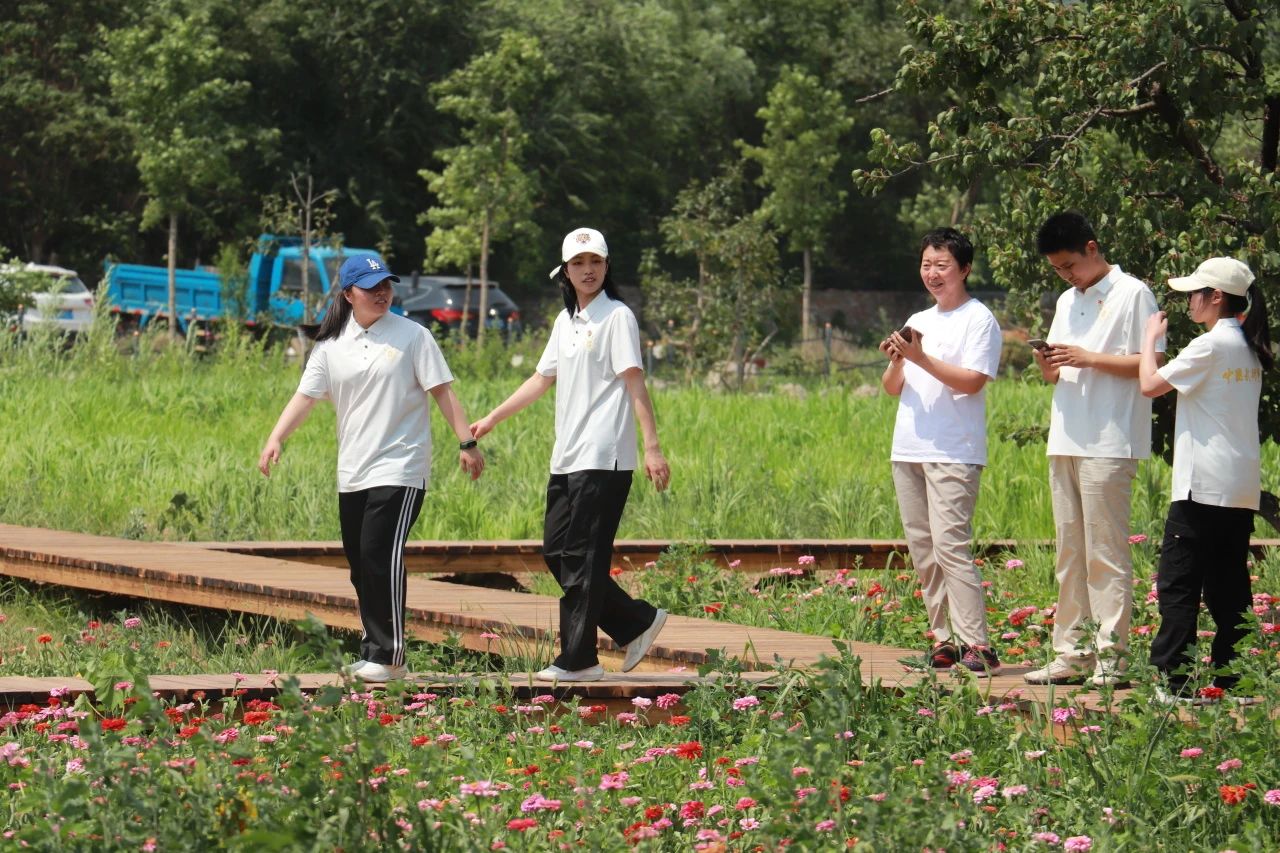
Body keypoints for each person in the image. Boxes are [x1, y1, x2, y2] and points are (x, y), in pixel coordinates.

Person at [258, 255, 484, 682]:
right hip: (353, 470)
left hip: (401, 466)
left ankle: (390, 657)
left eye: (386, 285)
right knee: (361, 563)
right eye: (370, 287)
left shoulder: (413, 336)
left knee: (381, 555)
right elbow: (305, 397)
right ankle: (373, 650)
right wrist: (276, 438)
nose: (382, 293)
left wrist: (466, 442)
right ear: (348, 294)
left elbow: (443, 392)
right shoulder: (331, 345)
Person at [471, 227, 670, 683]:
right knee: (557, 550)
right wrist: (492, 418)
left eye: (595, 261)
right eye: (578, 263)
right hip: (567, 455)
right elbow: (541, 379)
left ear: (606, 266)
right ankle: (634, 621)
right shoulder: (566, 322)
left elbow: (635, 383)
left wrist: (652, 448)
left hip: (604, 455)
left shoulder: (617, 317)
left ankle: (579, 659)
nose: (588, 270)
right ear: (564, 272)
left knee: (583, 557)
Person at [1026, 212, 1163, 687]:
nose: (1066, 275)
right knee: (1069, 552)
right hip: (1065, 434)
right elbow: (1057, 373)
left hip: (1110, 438)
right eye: (1057, 269)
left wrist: (1089, 358)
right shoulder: (1067, 300)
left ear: (1092, 247)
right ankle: (1072, 653)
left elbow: (1153, 363)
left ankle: (1112, 657)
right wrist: (1049, 363)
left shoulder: (1134, 293)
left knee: (1105, 552)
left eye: (1069, 265)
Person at [1138, 257, 1271, 703]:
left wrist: (1150, 340)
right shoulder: (1249, 346)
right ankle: (1235, 679)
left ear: (1216, 297)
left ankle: (1174, 681)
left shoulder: (1210, 345)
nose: (1189, 301)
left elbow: (1150, 385)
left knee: (1178, 582)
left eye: (1195, 293)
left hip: (1201, 485)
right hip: (1238, 484)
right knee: (1229, 585)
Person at [879, 227, 1003, 675]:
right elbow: (892, 387)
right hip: (908, 448)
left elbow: (972, 381)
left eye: (942, 265)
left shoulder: (979, 319)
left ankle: (978, 645)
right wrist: (899, 359)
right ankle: (944, 640)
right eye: (926, 264)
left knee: (951, 546)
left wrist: (921, 359)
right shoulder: (919, 318)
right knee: (924, 550)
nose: (932, 273)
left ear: (964, 269)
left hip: (954, 450)